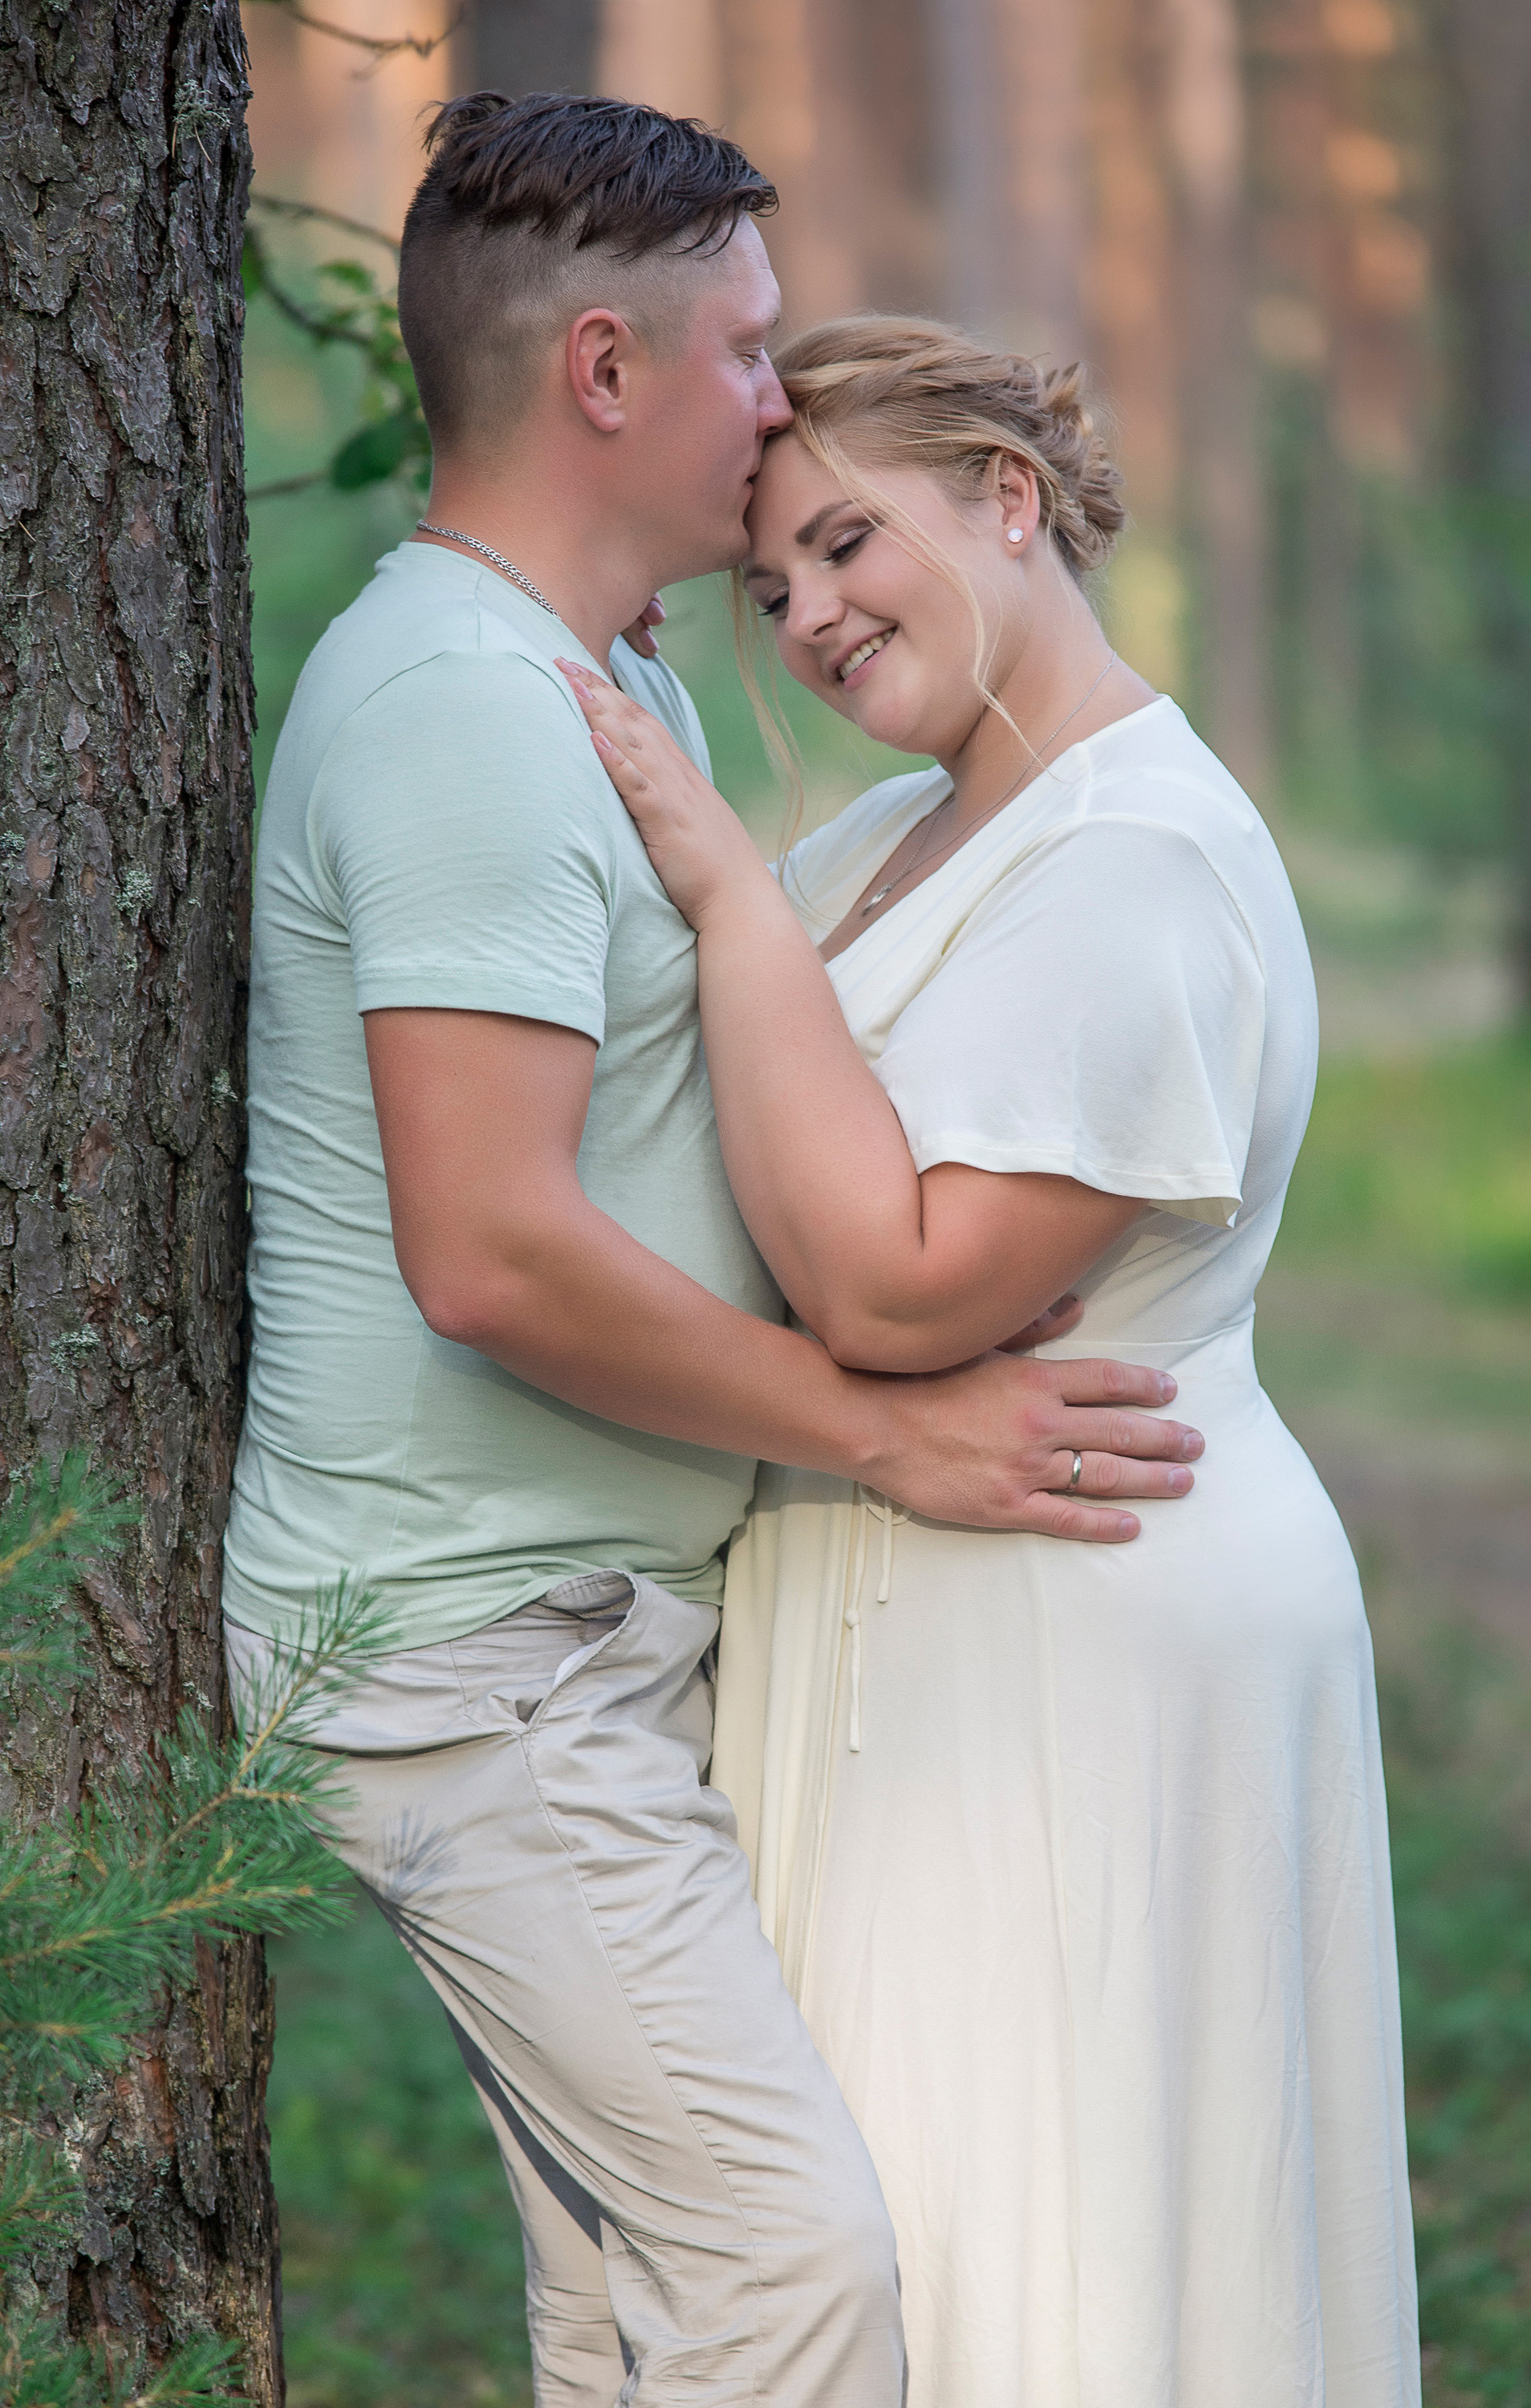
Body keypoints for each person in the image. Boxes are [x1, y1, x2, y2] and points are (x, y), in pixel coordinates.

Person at [220, 97, 1203, 2407]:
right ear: (601, 370)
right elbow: (493, 1257)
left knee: (644, 2309)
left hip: (566, 1640)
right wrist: (889, 1433)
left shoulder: (601, 678)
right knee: (791, 2277)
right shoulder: (466, 710)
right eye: (749, 350)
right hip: (479, 1666)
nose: (777, 397)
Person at [562, 316, 1421, 2407]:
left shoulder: (1137, 867)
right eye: (768, 589)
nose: (813, 618)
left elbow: (890, 1289)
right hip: (897, 1632)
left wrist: (718, 897)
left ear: (1009, 501)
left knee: (1066, 2260)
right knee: (900, 2252)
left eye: (849, 543)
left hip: (1079, 1626)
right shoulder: (885, 843)